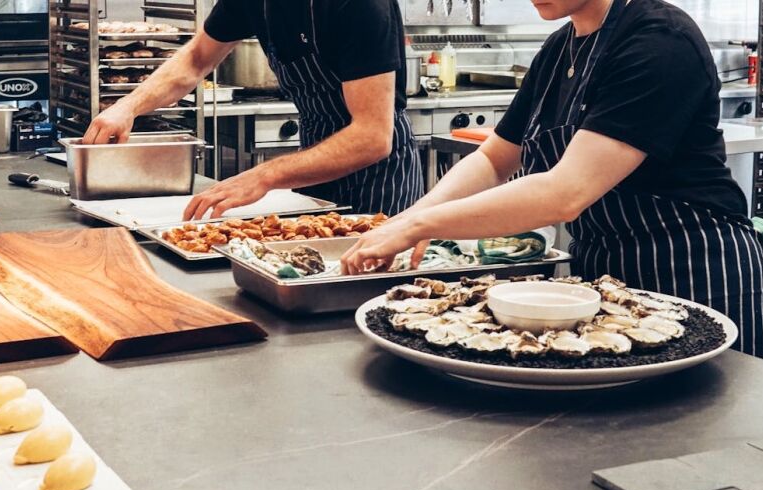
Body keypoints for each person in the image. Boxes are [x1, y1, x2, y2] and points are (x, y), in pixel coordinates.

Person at [341, 0, 763, 356]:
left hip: (695, 268)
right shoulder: (560, 48)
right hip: (605, 277)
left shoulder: (660, 40)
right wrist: (404, 222)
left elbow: (566, 193)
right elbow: (494, 158)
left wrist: (422, 224)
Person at [82, 0, 424, 218]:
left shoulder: (358, 6)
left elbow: (372, 137)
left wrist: (264, 175)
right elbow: (196, 58)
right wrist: (127, 106)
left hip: (380, 182)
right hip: (314, 163)